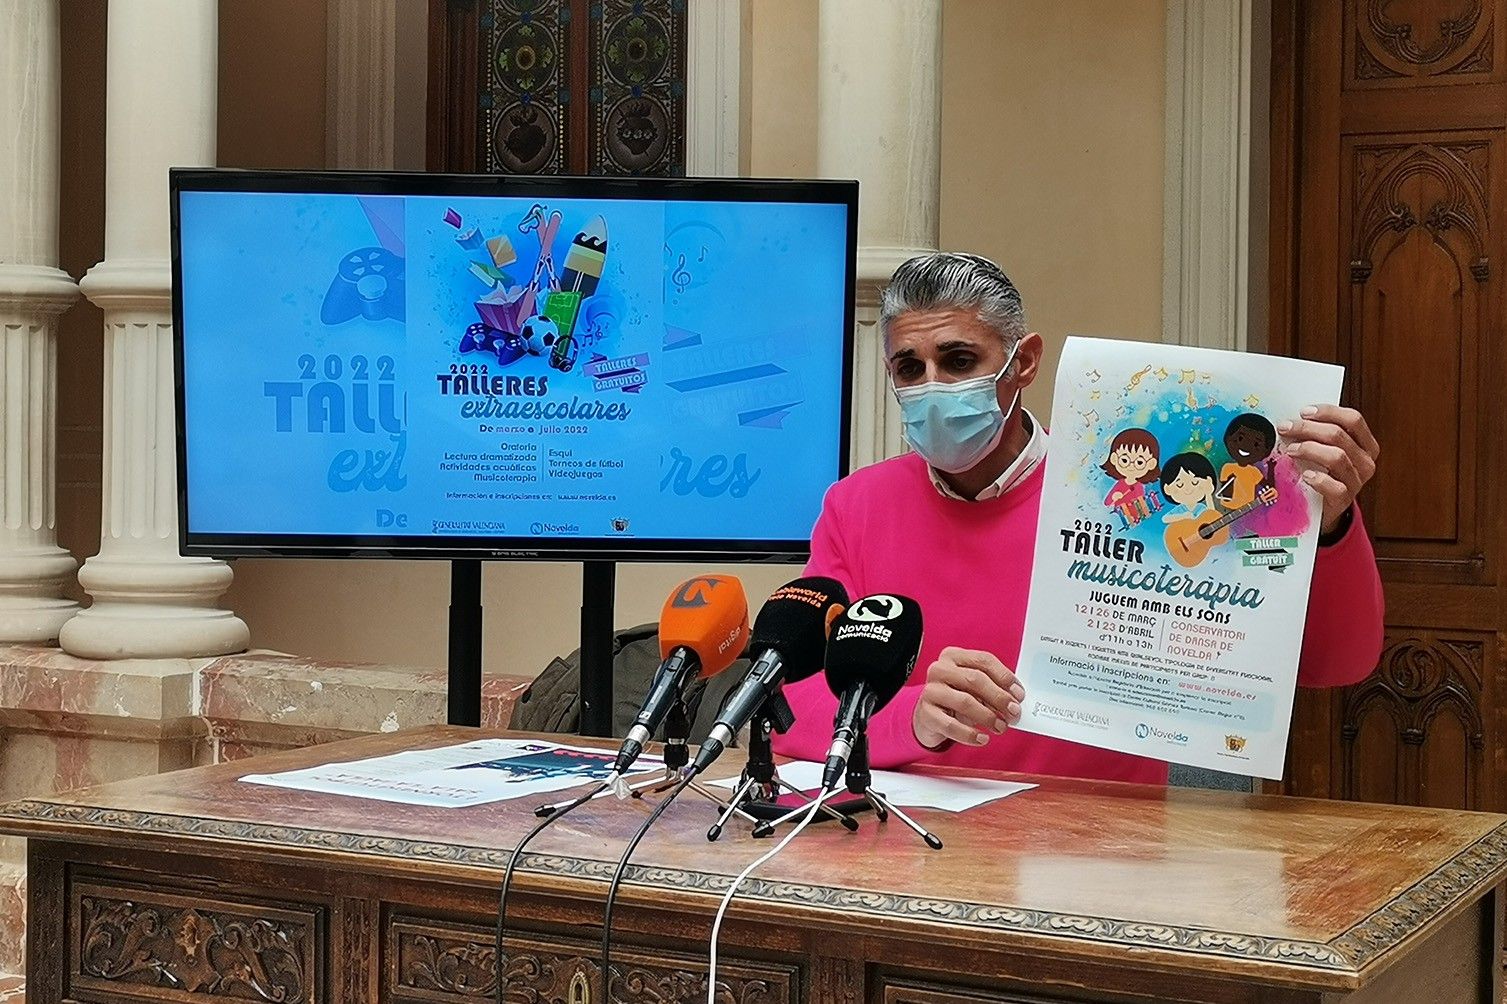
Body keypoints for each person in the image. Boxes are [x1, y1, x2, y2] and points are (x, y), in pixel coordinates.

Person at [772, 252, 1384, 784]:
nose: (933, 387)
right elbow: (788, 704)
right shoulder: (857, 505)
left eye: (958, 360)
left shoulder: (1136, 497)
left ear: (1024, 362)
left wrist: (1329, 523)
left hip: (1098, 850)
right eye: (910, 368)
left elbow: (1337, 663)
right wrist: (914, 718)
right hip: (912, 843)